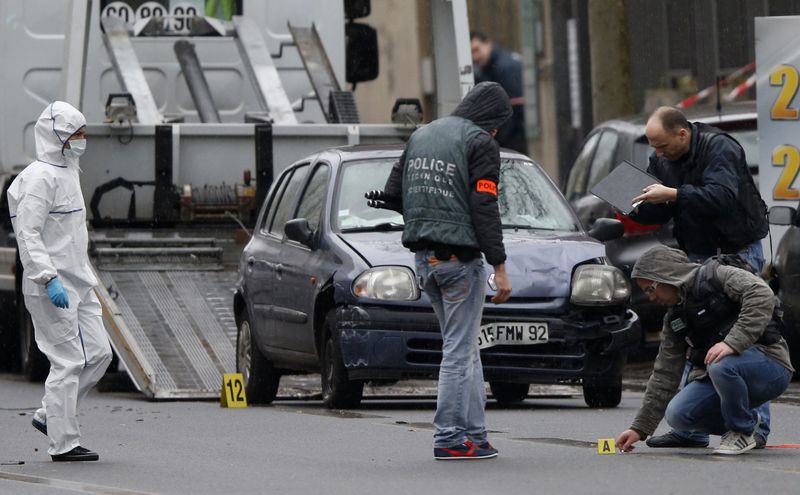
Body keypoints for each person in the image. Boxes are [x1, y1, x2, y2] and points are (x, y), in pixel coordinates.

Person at [367, 82, 513, 460]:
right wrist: (500, 265)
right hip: (459, 262)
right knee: (459, 350)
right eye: (496, 124)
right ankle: (449, 436)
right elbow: (485, 205)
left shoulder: (422, 135)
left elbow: (393, 193)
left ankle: (476, 435)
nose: (495, 132)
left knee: (466, 348)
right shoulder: (480, 143)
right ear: (489, 119)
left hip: (424, 260)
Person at [629, 105, 771, 449]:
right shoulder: (662, 159)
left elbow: (722, 198)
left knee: (738, 337)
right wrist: (635, 203)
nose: (657, 153)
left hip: (736, 249)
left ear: (682, 133)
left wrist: (674, 194)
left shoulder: (720, 147)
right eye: (652, 146)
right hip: (695, 253)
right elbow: (659, 212)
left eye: (661, 145)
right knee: (692, 337)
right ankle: (688, 428)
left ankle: (757, 427)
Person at [8, 101, 113, 462]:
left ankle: (46, 414)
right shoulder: (40, 178)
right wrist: (48, 277)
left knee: (99, 354)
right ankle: (63, 442)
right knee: (67, 361)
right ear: (57, 137)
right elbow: (29, 234)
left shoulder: (69, 170)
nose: (82, 141)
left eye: (83, 134)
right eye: (76, 135)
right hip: (51, 285)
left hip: (79, 281)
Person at [616, 246, 793, 455]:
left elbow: (761, 293)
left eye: (650, 289)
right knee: (678, 415)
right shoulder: (675, 319)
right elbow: (665, 374)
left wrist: (732, 342)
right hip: (723, 371)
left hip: (770, 366)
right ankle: (748, 421)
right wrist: (640, 428)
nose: (650, 298)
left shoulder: (716, 275)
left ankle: (742, 431)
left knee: (720, 365)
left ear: (666, 275)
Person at [470, 32, 526, 154]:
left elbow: (514, 109)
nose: (475, 56)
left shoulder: (505, 67)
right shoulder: (489, 67)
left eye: (476, 50)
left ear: (488, 43)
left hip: (512, 140)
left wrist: (498, 140)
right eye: (471, 53)